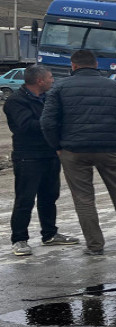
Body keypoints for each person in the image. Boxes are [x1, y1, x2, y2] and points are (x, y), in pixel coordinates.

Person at [40, 49, 116, 256]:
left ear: (73, 66)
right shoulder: (115, 86)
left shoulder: (60, 87)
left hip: (73, 149)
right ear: (96, 65)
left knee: (84, 199)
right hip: (110, 148)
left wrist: (57, 146)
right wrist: (115, 128)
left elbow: (47, 122)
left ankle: (95, 246)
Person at [4, 65, 79, 257]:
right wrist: (54, 122)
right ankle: (19, 239)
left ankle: (50, 234)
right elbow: (26, 126)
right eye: (50, 77)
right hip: (28, 156)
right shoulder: (15, 101)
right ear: (40, 81)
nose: (53, 80)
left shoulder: (49, 98)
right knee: (25, 199)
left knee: (49, 196)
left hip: (50, 153)